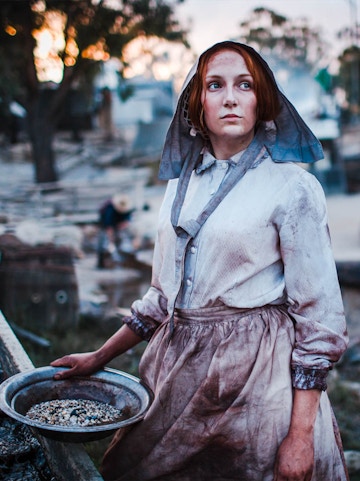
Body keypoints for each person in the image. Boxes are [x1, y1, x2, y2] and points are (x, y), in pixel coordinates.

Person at [51, 41, 349, 481]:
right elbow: (160, 296)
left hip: (257, 381)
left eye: (244, 85)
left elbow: (319, 321)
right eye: (216, 85)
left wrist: (300, 436)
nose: (230, 97)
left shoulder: (292, 188)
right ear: (198, 103)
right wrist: (99, 357)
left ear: (261, 102)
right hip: (176, 373)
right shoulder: (180, 187)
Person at [96, 194, 134, 269]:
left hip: (118, 223)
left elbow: (127, 221)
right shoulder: (109, 209)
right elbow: (108, 227)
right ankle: (101, 264)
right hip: (105, 224)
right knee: (103, 242)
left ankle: (120, 259)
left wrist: (122, 226)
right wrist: (111, 240)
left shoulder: (128, 209)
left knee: (121, 240)